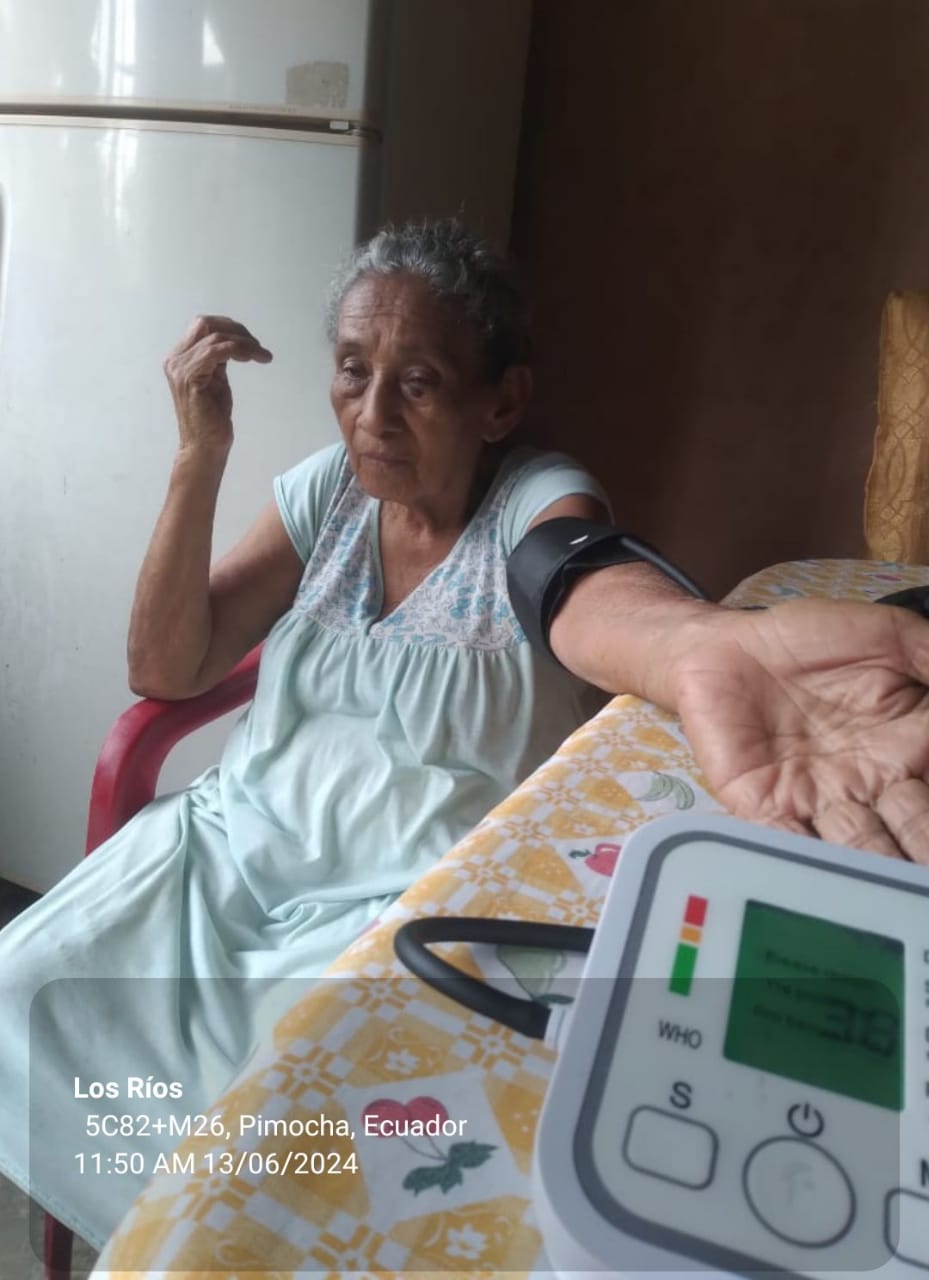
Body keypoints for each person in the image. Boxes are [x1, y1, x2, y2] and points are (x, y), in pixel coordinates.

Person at [3, 218, 929, 1254]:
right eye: (352, 370)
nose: (371, 413)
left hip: (386, 897)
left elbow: (578, 579)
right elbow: (165, 668)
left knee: (280, 1116)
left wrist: (694, 646)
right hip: (226, 849)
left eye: (418, 381)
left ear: (501, 401)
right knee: (23, 987)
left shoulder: (535, 502)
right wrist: (197, 457)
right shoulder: (324, 491)